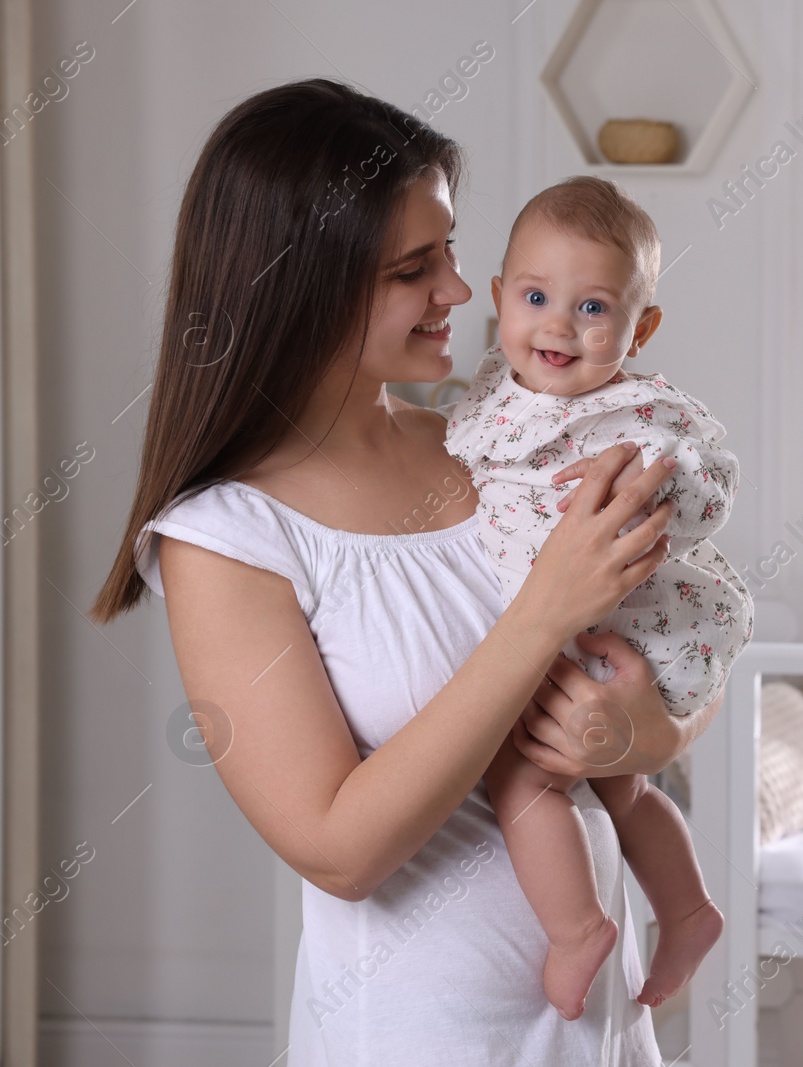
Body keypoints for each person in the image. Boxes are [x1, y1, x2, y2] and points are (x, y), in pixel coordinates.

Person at [91, 78, 715, 1066]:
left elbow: (671, 658)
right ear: (303, 282)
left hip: (601, 1033)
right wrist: (541, 613)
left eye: (453, 252)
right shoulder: (228, 537)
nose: (461, 293)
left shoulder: (497, 454)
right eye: (413, 268)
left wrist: (641, 729)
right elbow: (340, 850)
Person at [446, 176, 751, 1019]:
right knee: (623, 788)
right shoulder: (485, 401)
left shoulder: (642, 413)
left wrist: (654, 485)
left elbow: (712, 486)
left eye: (592, 308)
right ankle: (687, 910)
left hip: (625, 628)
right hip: (559, 629)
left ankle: (579, 928)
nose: (557, 326)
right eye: (537, 296)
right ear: (502, 295)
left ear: (639, 327)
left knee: (519, 773)